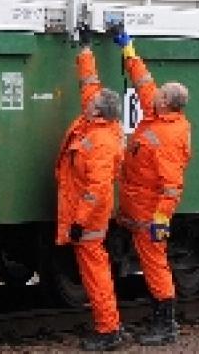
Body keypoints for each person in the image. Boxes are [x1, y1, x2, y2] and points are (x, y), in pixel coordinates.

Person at [112, 25, 192, 346]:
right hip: (138, 208)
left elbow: (172, 185)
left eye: (160, 94)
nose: (153, 93)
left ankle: (166, 324)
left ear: (167, 104)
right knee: (151, 264)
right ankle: (161, 319)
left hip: (149, 214)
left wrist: (160, 220)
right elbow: (143, 82)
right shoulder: (158, 117)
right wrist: (128, 48)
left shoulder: (167, 136)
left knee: (155, 266)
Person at [55, 27, 125, 351]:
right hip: (86, 215)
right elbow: (89, 83)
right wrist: (85, 49)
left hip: (90, 219)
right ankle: (108, 326)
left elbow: (96, 189)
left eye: (92, 103)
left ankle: (108, 330)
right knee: (94, 271)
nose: (87, 101)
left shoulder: (100, 141)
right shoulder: (97, 123)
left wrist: (80, 221)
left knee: (96, 274)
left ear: (98, 112)